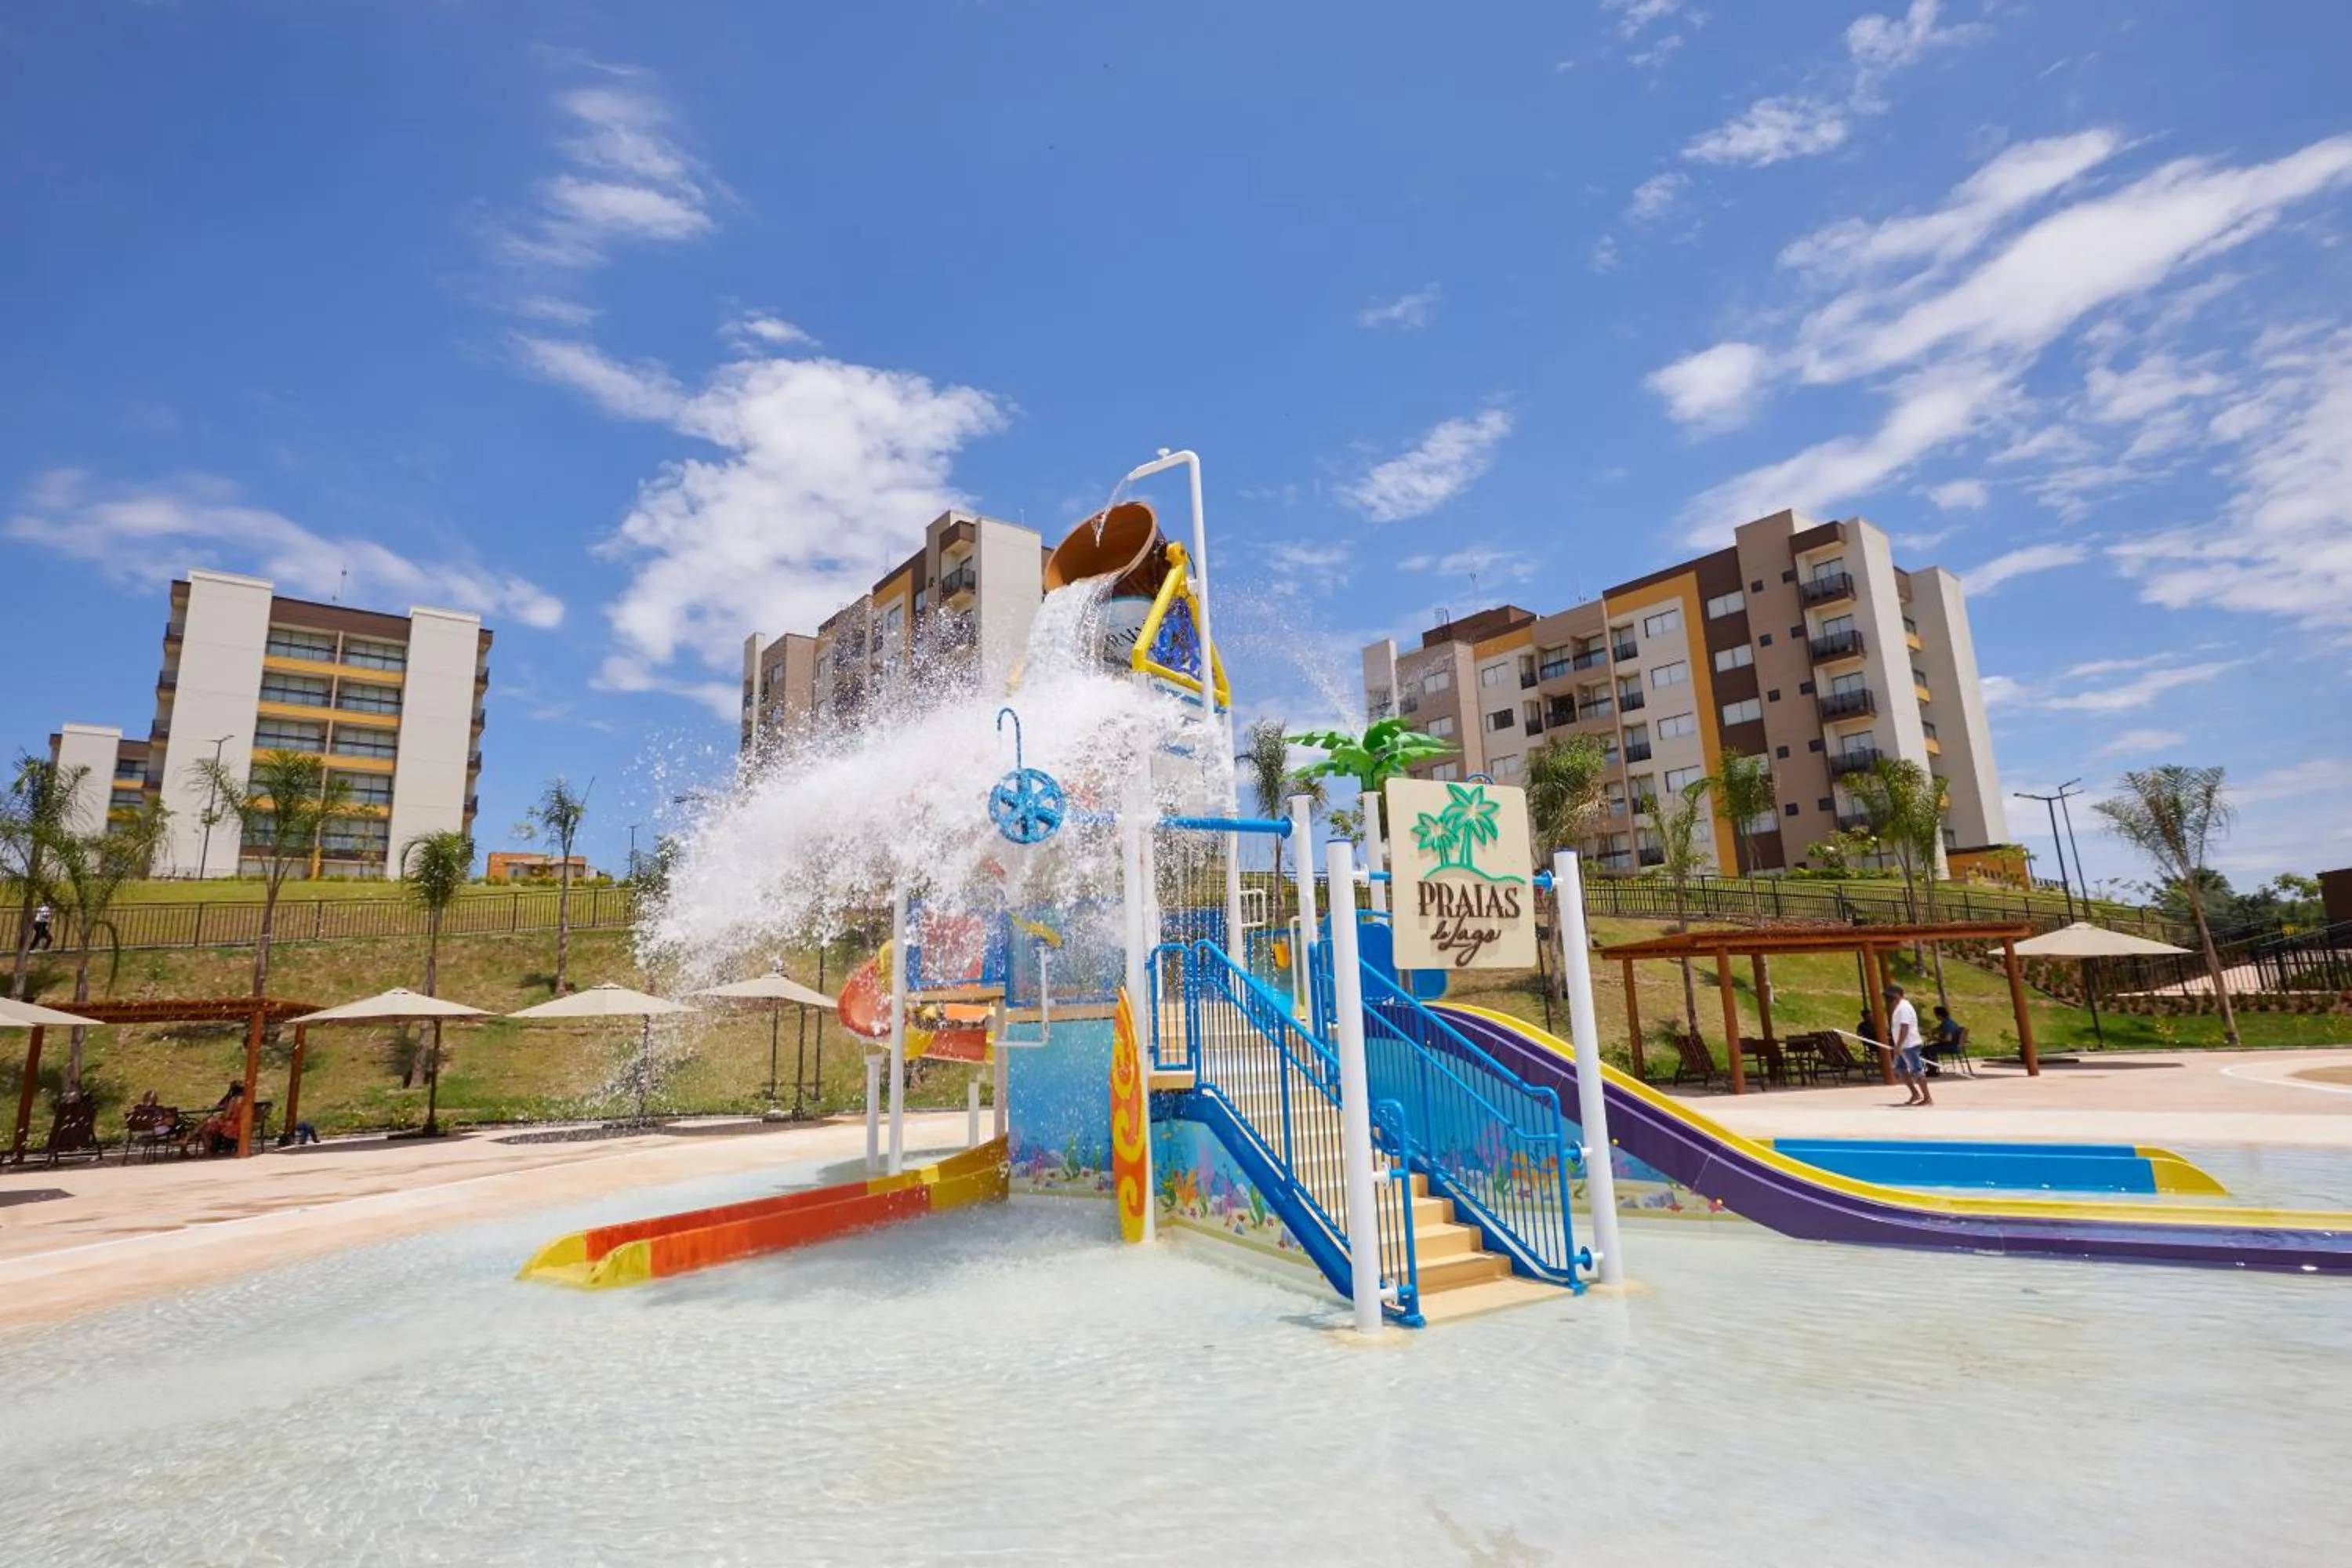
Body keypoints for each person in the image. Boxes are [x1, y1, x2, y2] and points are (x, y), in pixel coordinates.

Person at [1887, 983, 1931, 1106]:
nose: (1888, 999)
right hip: (1903, 1046)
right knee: (1900, 1069)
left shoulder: (1904, 1008)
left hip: (1909, 1045)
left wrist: (1899, 1045)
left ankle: (1927, 1098)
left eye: (1890, 996)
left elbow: (1905, 1027)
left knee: (1916, 1070)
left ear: (1897, 995)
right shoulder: (1899, 1008)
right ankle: (1915, 1093)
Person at [1929, 1004, 1970, 1077]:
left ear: (1939, 1015)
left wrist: (1935, 1038)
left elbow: (1948, 1040)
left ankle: (1933, 1070)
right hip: (1955, 1045)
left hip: (1951, 1046)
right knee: (1930, 1048)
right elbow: (1936, 1030)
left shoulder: (1947, 1025)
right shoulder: (1949, 1021)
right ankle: (1932, 1069)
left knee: (1928, 1050)